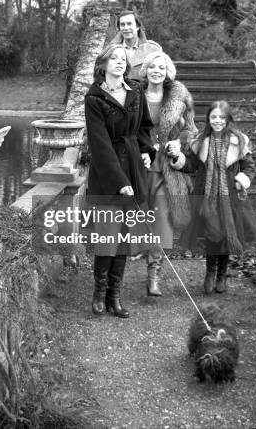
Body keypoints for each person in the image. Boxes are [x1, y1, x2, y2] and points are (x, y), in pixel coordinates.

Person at [85, 43, 156, 318]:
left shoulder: (136, 91)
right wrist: (118, 181)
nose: (119, 62)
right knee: (108, 235)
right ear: (103, 64)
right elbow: (99, 144)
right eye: (113, 58)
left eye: (122, 59)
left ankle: (115, 295)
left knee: (124, 235)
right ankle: (99, 293)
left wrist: (148, 152)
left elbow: (144, 127)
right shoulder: (94, 98)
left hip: (134, 167)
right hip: (107, 174)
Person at [168, 100, 256, 294]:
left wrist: (241, 180)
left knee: (227, 236)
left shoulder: (239, 141)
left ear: (228, 119)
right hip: (206, 198)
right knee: (213, 236)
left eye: (221, 117)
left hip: (231, 200)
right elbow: (191, 166)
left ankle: (222, 276)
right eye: (213, 117)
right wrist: (176, 157)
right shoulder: (200, 141)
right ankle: (210, 273)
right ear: (208, 119)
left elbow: (249, 167)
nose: (217, 121)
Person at [139, 50, 198, 296]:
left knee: (162, 220)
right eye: (152, 66)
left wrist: (179, 146)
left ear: (167, 72)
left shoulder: (180, 97)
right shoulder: (134, 94)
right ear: (146, 70)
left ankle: (154, 274)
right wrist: (138, 149)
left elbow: (192, 131)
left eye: (161, 68)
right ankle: (113, 278)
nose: (156, 71)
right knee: (136, 220)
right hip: (139, 165)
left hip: (166, 169)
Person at [110, 10, 162, 79]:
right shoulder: (111, 50)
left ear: (137, 26)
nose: (126, 28)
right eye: (122, 25)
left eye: (129, 24)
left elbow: (161, 78)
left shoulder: (153, 50)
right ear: (119, 28)